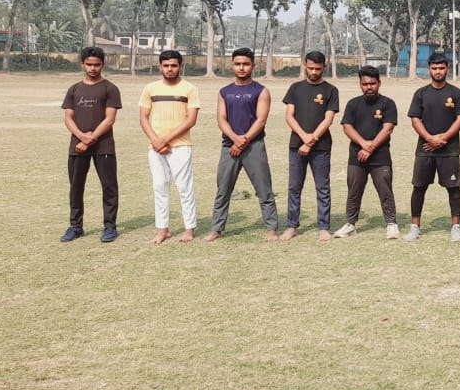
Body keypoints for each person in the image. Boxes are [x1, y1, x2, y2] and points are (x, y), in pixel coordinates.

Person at [207, 47, 279, 241]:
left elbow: (261, 120)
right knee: (223, 190)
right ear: (232, 65)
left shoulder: (261, 91)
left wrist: (243, 140)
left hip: (254, 146)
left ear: (253, 66)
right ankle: (216, 229)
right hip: (229, 147)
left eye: (245, 64)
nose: (241, 68)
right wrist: (235, 139)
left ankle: (271, 228)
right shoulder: (224, 92)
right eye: (237, 64)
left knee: (264, 189)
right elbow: (221, 120)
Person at [405, 52, 460, 242]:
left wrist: (444, 138)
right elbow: (415, 119)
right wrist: (429, 138)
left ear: (447, 69)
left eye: (441, 68)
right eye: (434, 68)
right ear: (429, 69)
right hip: (425, 149)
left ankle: (455, 227)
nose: (438, 71)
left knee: (453, 188)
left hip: (449, 150)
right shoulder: (421, 93)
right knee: (419, 187)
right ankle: (415, 227)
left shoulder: (456, 93)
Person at [61, 47, 122, 243]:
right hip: (77, 147)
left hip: (104, 146)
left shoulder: (110, 88)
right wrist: (81, 137)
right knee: (76, 187)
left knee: (109, 187)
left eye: (97, 64)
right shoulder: (74, 89)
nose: (93, 68)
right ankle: (75, 227)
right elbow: (68, 118)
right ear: (82, 64)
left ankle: (110, 227)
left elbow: (109, 119)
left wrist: (90, 138)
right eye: (89, 64)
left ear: (102, 65)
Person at [139, 49, 200, 245]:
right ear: (160, 67)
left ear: (181, 66)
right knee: (160, 187)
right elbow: (143, 118)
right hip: (155, 147)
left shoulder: (189, 89)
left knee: (184, 188)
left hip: (180, 146)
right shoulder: (150, 88)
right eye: (166, 66)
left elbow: (190, 120)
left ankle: (189, 228)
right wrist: (156, 141)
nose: (170, 69)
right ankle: (163, 229)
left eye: (174, 65)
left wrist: (165, 140)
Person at [334, 66, 398, 239]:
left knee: (385, 191)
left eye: (372, 83)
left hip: (381, 157)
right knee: (354, 191)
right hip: (357, 157)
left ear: (379, 83)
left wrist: (371, 147)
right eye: (365, 84)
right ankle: (350, 224)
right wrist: (363, 144)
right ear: (360, 84)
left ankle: (391, 224)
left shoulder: (388, 103)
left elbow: (388, 128)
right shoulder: (353, 104)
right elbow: (347, 126)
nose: (369, 87)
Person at [282, 51, 339, 242]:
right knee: (294, 187)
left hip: (321, 147)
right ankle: (292, 226)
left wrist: (311, 140)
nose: (314, 72)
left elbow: (328, 119)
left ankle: (324, 227)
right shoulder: (295, 88)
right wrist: (304, 138)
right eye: (311, 68)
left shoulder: (331, 90)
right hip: (296, 146)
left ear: (324, 67)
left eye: (318, 68)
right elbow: (289, 116)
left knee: (322, 187)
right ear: (304, 65)